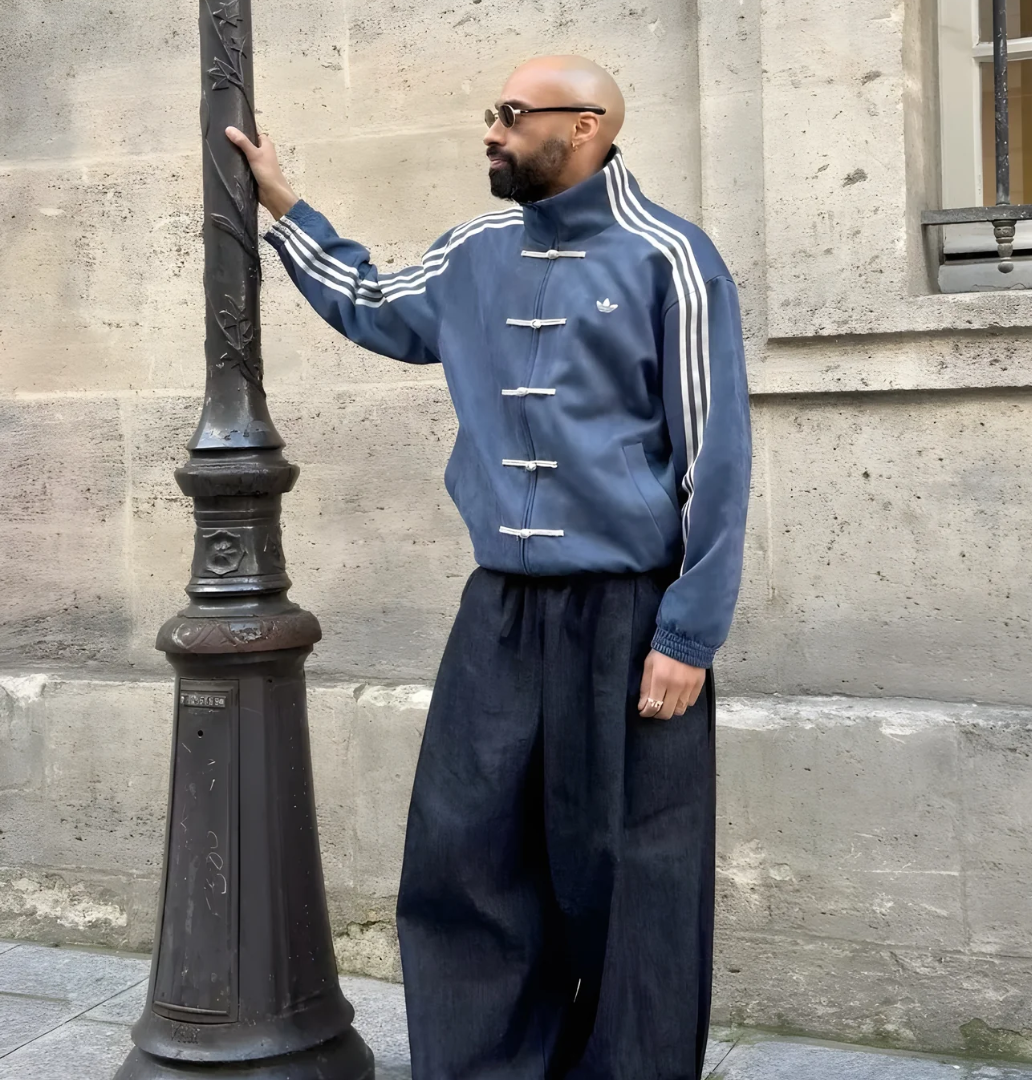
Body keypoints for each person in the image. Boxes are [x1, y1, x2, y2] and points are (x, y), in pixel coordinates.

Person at [228, 53, 751, 1080]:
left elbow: (717, 457)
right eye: (492, 114)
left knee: (633, 876)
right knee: (464, 855)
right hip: (500, 613)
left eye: (511, 116)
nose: (491, 133)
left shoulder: (673, 260)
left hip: (631, 616)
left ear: (586, 125)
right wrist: (285, 204)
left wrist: (688, 633)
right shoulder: (471, 250)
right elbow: (374, 300)